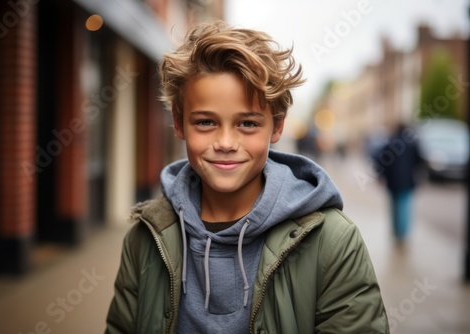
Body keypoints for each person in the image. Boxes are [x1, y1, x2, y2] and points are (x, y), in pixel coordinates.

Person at [105, 20, 389, 333]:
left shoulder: (333, 243)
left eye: (248, 124)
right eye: (205, 123)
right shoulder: (145, 239)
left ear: (277, 126)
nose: (225, 143)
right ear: (179, 123)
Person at [376, 123, 422, 242]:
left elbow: (382, 161)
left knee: (394, 207)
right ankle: (403, 232)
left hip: (392, 181)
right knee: (404, 207)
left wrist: (381, 176)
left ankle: (396, 230)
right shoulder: (412, 144)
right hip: (407, 181)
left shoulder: (390, 143)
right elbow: (419, 161)